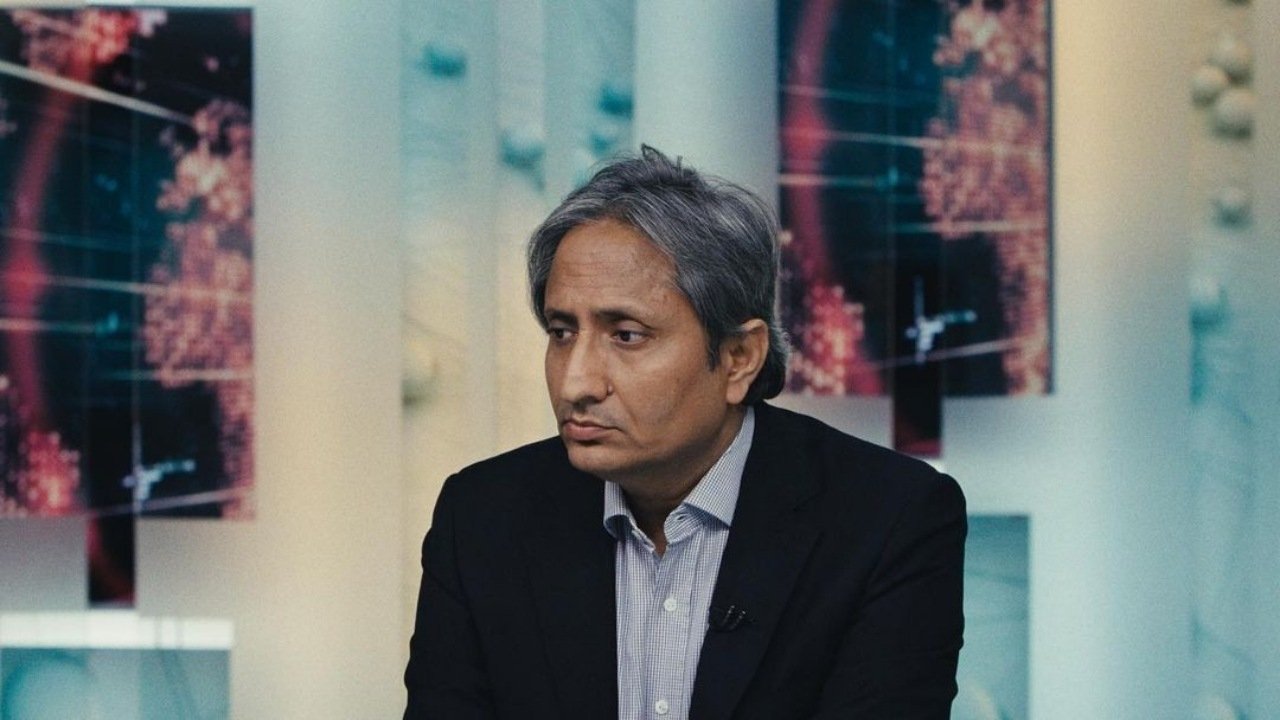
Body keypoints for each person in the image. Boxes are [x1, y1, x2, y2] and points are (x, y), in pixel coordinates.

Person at [404, 147, 966, 719]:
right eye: (562, 332)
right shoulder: (482, 517)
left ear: (739, 357)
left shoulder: (890, 518)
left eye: (626, 335)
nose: (576, 383)